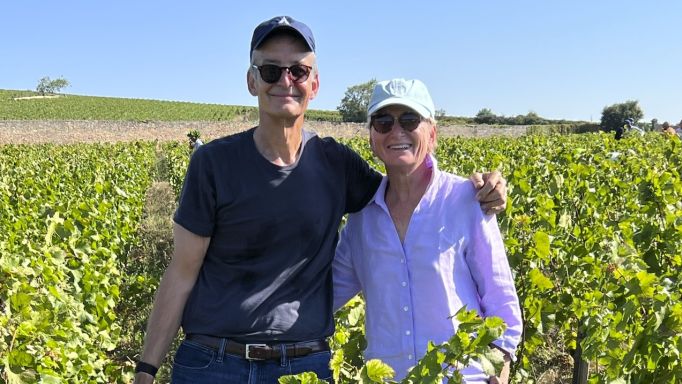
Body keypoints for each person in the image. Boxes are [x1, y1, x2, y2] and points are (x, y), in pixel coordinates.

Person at [133, 16, 508, 384]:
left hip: (302, 366)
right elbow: (181, 272)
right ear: (251, 81)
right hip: (215, 363)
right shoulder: (213, 163)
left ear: (314, 84)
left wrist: (482, 188)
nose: (285, 81)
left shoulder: (337, 165)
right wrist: (146, 370)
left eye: (298, 71)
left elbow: (410, 187)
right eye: (270, 71)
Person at [333, 79, 522, 384]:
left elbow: (501, 301)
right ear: (371, 138)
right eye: (383, 122)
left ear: (432, 134)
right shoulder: (361, 219)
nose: (396, 131)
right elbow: (324, 295)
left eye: (409, 120)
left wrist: (499, 367)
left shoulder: (467, 201)